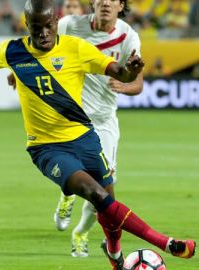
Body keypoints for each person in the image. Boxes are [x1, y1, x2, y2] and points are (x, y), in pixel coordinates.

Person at [0, 1, 196, 269]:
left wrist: (133, 69)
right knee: (95, 194)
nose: (43, 34)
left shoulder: (76, 48)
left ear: (56, 22)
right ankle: (166, 243)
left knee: (109, 204)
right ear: (27, 26)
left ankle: (115, 255)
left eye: (48, 27)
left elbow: (120, 72)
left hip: (85, 138)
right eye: (36, 28)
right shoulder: (12, 51)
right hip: (47, 148)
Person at [52, 0, 145, 258]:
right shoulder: (70, 25)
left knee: (103, 191)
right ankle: (67, 194)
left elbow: (137, 83)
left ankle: (80, 232)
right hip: (70, 117)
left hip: (103, 122)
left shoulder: (128, 36)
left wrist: (124, 85)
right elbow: (39, 47)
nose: (105, 2)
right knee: (74, 174)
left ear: (121, 5)